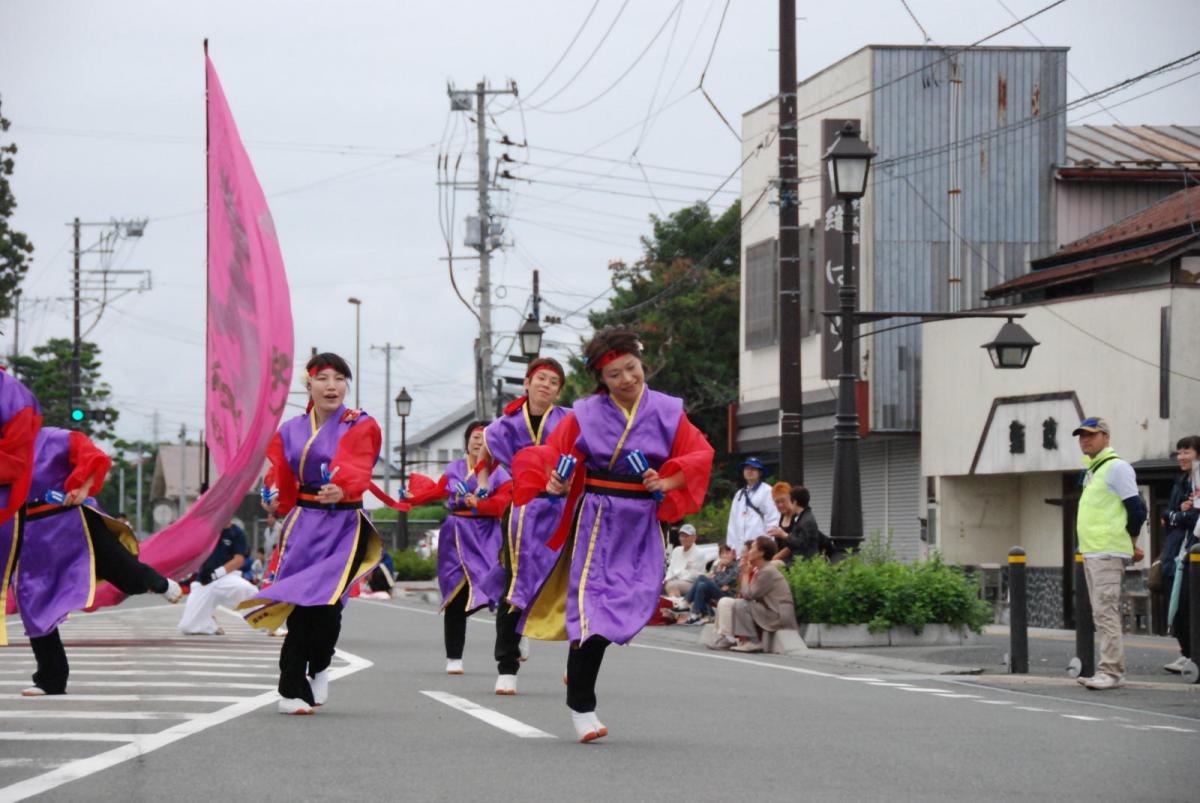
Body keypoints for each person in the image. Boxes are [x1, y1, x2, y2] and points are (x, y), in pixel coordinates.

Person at [512, 326, 713, 742]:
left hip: (641, 521)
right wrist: (554, 481)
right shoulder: (584, 413)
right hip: (597, 519)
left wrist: (668, 482)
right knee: (594, 608)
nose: (626, 379)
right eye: (615, 374)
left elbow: (699, 454)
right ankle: (582, 706)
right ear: (601, 380)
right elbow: (558, 455)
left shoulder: (668, 410)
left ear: (642, 365)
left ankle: (578, 664)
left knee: (629, 604)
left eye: (631, 368)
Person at [238, 352, 384, 714]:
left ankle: (319, 664)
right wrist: (272, 497)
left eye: (338, 378)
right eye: (323, 378)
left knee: (329, 608)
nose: (331, 386)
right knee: (302, 607)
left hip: (346, 526)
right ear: (309, 385)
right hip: (304, 525)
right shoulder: (292, 429)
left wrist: (344, 487)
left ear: (346, 385)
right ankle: (290, 687)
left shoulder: (360, 424)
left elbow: (359, 464)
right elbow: (279, 474)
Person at [11, 426, 182, 695]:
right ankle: (51, 679)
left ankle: (157, 583)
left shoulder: (56, 438)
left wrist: (83, 487)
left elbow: (94, 458)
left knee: (125, 574)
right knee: (33, 601)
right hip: (30, 533)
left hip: (71, 522)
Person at [477, 357, 569, 695]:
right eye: (540, 378)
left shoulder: (568, 420)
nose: (546, 384)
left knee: (569, 582)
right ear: (527, 383)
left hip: (562, 508)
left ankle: (576, 664)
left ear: (558, 391)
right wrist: (485, 482)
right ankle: (507, 665)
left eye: (553, 381)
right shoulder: (506, 423)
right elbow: (484, 456)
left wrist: (567, 483)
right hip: (520, 511)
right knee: (515, 583)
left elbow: (586, 459)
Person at [405, 421, 512, 676]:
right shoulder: (454, 468)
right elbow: (438, 490)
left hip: (485, 535)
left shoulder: (500, 474)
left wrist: (481, 505)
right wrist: (414, 498)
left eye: (485, 438)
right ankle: (454, 656)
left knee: (493, 589)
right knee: (455, 595)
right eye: (476, 437)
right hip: (454, 535)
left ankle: (515, 636)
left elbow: (504, 503)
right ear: (467, 442)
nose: (479, 442)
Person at [1072, 417, 1146, 691]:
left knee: (1106, 611)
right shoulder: (1094, 470)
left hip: (1106, 551)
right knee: (1100, 612)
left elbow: (1137, 509)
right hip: (1093, 551)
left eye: (1091, 435)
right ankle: (1107, 669)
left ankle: (1111, 672)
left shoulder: (1116, 467)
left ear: (1106, 437)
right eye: (1081, 436)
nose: (1084, 440)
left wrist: (1131, 542)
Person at [0, 367, 42, 646]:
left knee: (38, 587)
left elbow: (13, 460)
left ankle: (52, 674)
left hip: (10, 506)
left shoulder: (11, 394)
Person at [711, 535, 798, 653]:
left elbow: (748, 595)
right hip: (772, 610)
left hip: (778, 615)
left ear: (761, 553)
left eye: (752, 549)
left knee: (743, 604)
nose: (749, 552)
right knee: (731, 602)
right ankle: (728, 637)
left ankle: (752, 641)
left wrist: (745, 574)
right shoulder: (763, 569)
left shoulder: (767, 571)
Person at [1160, 435, 1199, 673]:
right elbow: (1166, 514)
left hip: (1190, 552)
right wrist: (1175, 514)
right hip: (1175, 551)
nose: (1181, 457)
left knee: (1187, 603)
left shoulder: (1195, 481)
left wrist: (1175, 516)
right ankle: (1186, 652)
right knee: (1175, 602)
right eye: (1179, 452)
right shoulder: (1181, 481)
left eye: (1187, 451)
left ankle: (1193, 653)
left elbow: (1192, 517)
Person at [178, 520, 256, 636]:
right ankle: (210, 625)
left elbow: (239, 560)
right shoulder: (205, 530)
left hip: (225, 578)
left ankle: (271, 625)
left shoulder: (237, 533)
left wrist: (215, 574)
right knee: (187, 627)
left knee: (247, 589)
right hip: (204, 581)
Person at [725, 457, 778, 557]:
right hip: (741, 550)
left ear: (760, 473)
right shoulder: (739, 494)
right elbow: (732, 523)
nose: (749, 471)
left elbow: (773, 518)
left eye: (753, 469)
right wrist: (731, 547)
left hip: (759, 548)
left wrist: (768, 546)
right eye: (747, 468)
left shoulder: (767, 491)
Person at [774, 486, 832, 566]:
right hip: (797, 560)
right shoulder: (802, 517)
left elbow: (801, 543)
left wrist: (784, 535)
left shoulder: (806, 520)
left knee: (771, 566)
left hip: (804, 561)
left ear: (794, 502)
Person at [683, 543, 738, 624]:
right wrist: (716, 580)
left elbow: (723, 581)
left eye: (727, 553)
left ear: (733, 555)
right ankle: (696, 614)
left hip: (729, 595)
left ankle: (686, 602)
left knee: (701, 578)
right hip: (718, 591)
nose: (724, 556)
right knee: (701, 585)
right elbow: (711, 580)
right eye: (722, 553)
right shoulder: (717, 565)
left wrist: (718, 573)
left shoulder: (736, 567)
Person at [664, 523, 707, 597]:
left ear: (694, 537)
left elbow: (692, 575)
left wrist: (674, 578)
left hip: (692, 583)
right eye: (682, 536)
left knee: (672, 585)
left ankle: (677, 604)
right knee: (658, 584)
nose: (683, 539)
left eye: (686, 536)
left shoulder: (699, 553)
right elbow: (671, 568)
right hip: (675, 580)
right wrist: (667, 579)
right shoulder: (676, 550)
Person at [764, 481, 793, 558]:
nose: (780, 505)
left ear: (791, 498)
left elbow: (793, 545)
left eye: (783, 501)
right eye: (777, 502)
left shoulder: (798, 517)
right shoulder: (780, 517)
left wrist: (774, 558)